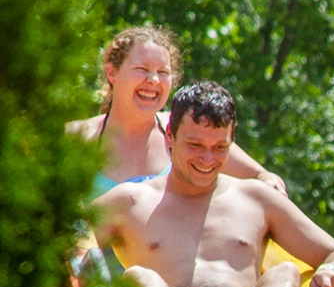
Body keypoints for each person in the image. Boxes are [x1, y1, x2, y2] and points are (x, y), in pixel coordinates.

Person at [93, 80, 334, 287]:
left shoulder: (257, 198)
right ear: (169, 136)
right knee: (137, 279)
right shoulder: (130, 201)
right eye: (195, 145)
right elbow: (64, 238)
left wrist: (333, 271)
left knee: (285, 273)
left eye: (220, 147)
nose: (208, 159)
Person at [67, 25, 287, 198]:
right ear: (112, 73)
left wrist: (272, 185)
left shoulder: (186, 131)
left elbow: (261, 175)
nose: (153, 80)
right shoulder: (75, 138)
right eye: (142, 69)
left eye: (163, 72)